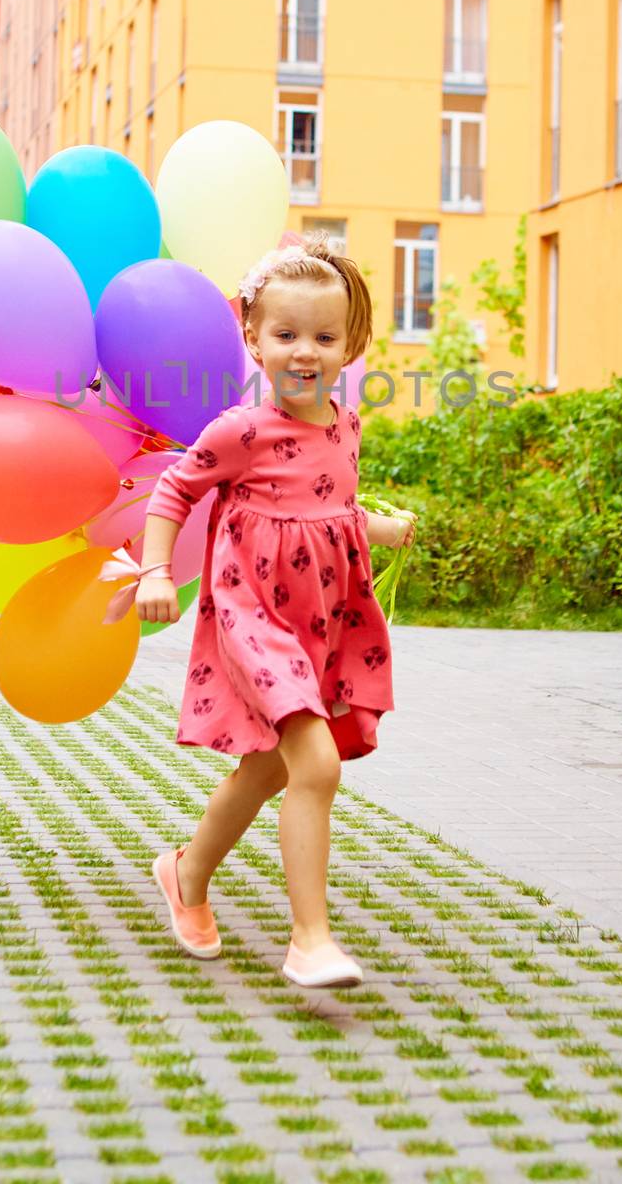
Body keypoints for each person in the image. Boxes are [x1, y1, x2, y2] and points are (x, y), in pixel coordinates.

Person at [133, 235, 415, 989]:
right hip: (252, 617)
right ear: (253, 338)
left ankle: (186, 873)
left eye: (324, 338)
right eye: (286, 335)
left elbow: (335, 507)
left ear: (349, 345)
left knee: (262, 771)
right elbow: (173, 493)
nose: (304, 353)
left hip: (319, 623)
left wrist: (382, 529)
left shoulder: (345, 427)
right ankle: (310, 939)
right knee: (314, 764)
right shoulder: (240, 432)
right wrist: (157, 570)